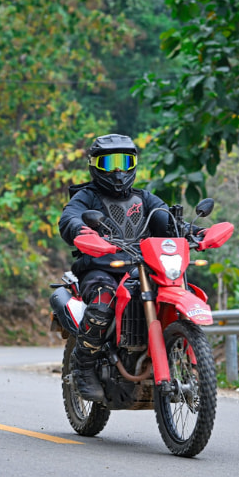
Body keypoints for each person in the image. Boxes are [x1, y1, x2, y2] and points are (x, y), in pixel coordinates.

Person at [58, 134, 172, 401]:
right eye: (109, 163)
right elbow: (69, 218)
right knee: (102, 301)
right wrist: (81, 230)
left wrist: (191, 232)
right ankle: (83, 367)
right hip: (99, 269)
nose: (118, 171)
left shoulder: (145, 199)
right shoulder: (87, 197)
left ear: (134, 164)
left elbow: (166, 221)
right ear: (95, 165)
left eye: (125, 161)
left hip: (140, 269)